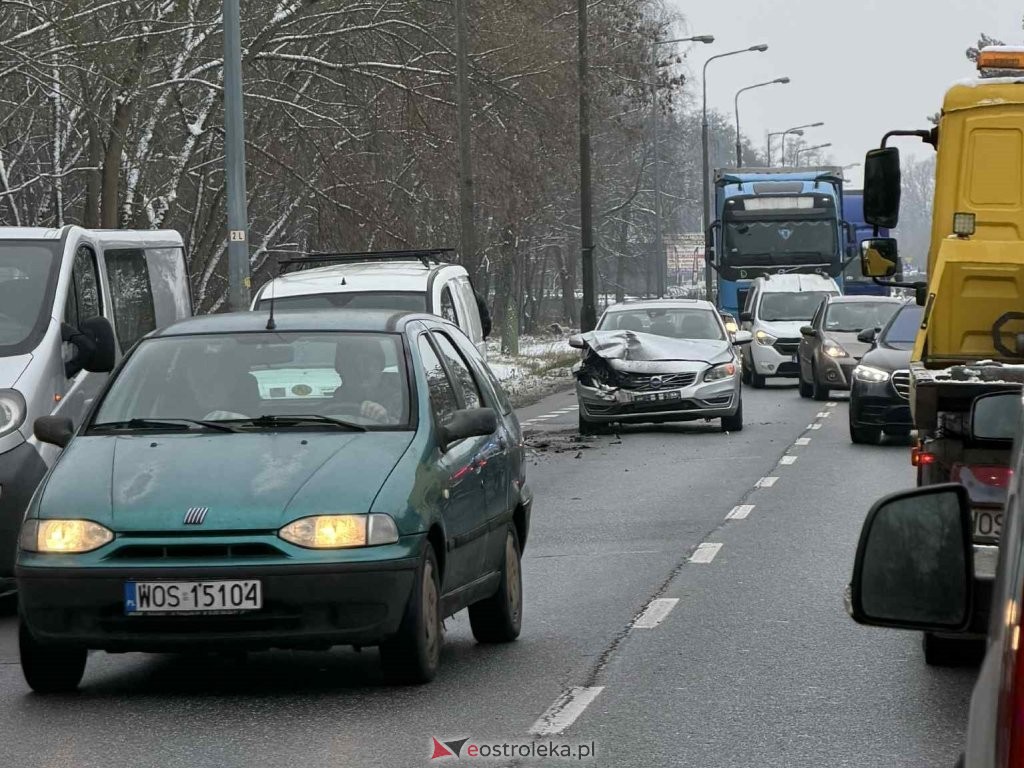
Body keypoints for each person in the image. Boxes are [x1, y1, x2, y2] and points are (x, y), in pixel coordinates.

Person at [332, 336, 402, 424]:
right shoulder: (333, 406)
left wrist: (387, 421)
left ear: (380, 367)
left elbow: (410, 431)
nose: (361, 370)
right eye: (352, 364)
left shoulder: (405, 399)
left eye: (366, 362)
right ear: (342, 372)